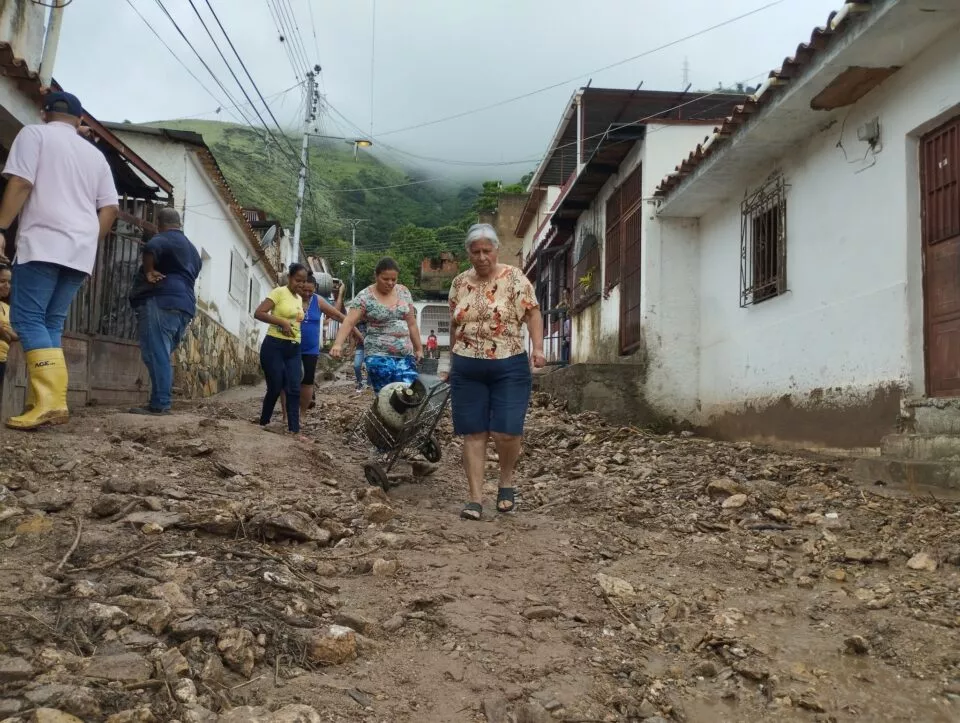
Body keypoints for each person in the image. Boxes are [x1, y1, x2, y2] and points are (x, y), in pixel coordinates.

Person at [0, 90, 119, 430]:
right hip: (79, 251)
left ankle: (49, 401)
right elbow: (110, 208)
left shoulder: (34, 134)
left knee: (26, 319)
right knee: (51, 322)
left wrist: (1, 227)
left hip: (43, 242)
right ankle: (51, 402)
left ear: (44, 113)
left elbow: (21, 183)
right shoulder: (95, 156)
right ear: (79, 120)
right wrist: (86, 240)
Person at [448, 223, 545, 521]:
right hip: (467, 367)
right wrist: (450, 364)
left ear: (496, 250)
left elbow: (532, 312)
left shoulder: (515, 278)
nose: (481, 257)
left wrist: (538, 348)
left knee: (506, 431)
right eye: (475, 252)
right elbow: (455, 323)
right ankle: (475, 498)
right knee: (474, 433)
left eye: (486, 251)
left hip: (509, 365)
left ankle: (505, 481)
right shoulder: (460, 282)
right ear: (468, 253)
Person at [129, 208, 201, 415]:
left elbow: (151, 246)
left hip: (162, 300)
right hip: (185, 305)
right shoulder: (193, 250)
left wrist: (150, 271)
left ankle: (160, 404)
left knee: (156, 353)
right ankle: (158, 400)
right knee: (162, 353)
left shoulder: (165, 238)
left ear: (159, 222)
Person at [330, 257, 423, 392]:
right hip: (378, 355)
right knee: (387, 395)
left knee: (408, 393)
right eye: (385, 279)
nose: (390, 283)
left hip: (405, 354)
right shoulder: (365, 296)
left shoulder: (403, 291)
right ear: (376, 276)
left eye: (394, 279)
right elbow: (349, 321)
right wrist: (338, 344)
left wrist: (419, 348)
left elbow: (412, 323)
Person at [254, 263, 308, 440]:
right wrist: (282, 322)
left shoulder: (299, 299)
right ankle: (264, 422)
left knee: (294, 388)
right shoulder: (279, 292)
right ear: (290, 278)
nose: (300, 285)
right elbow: (259, 313)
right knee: (275, 386)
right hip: (274, 346)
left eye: (303, 282)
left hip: (293, 347)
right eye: (297, 280)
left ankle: (295, 429)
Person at [288, 273, 350, 421]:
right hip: (290, 346)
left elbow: (338, 315)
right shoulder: (290, 298)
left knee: (307, 381)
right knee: (289, 380)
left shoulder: (318, 301)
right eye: (305, 291)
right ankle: (287, 414)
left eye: (311, 291)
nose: (308, 294)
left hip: (310, 349)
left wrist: (354, 330)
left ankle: (301, 415)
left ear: (315, 289)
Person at [0, 264, 16, 393]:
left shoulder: (7, 308)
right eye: (2, 281)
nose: (7, 286)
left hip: (2, 359)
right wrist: (7, 334)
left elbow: (15, 336)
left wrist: (5, 333)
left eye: (9, 282)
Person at [353, 321, 367, 392]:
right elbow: (353, 337)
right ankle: (360, 381)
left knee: (369, 367)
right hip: (360, 347)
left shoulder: (373, 322)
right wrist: (351, 350)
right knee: (356, 366)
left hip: (371, 348)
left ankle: (369, 384)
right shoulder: (358, 324)